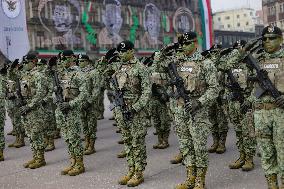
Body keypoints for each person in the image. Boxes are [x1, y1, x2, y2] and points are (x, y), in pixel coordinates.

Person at [160, 32, 219, 189]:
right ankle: (190, 178)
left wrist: (199, 102)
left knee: (199, 147)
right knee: (185, 145)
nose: (183, 47)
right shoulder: (176, 63)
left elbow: (214, 89)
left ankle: (200, 180)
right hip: (180, 110)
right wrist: (165, 50)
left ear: (195, 43)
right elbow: (158, 65)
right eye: (181, 44)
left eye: (187, 43)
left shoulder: (205, 63)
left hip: (197, 111)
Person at [244, 25, 284, 188]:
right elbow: (226, 66)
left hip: (281, 113)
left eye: (272, 38)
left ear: (281, 39)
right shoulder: (257, 59)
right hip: (261, 114)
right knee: (266, 153)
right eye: (265, 39)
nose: (268, 42)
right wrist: (244, 50)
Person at [112, 40, 151, 187]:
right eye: (120, 52)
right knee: (127, 141)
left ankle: (139, 172)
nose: (121, 54)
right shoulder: (119, 68)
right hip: (121, 110)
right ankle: (131, 169)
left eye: (124, 51)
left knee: (137, 142)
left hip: (135, 111)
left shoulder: (140, 68)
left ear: (131, 51)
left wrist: (135, 107)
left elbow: (147, 92)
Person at [54, 50, 87, 176]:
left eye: (65, 59)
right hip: (62, 110)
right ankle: (73, 162)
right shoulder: (63, 73)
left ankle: (80, 164)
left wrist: (70, 104)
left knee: (74, 138)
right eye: (61, 59)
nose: (62, 61)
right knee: (67, 138)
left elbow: (84, 94)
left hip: (72, 110)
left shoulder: (78, 74)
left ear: (72, 58)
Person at [19, 52, 50, 169]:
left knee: (37, 133)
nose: (25, 65)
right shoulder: (25, 75)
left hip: (35, 109)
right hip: (26, 109)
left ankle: (41, 158)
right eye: (24, 63)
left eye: (26, 62)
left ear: (33, 62)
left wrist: (30, 105)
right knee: (30, 134)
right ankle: (35, 156)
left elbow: (41, 93)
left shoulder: (38, 75)